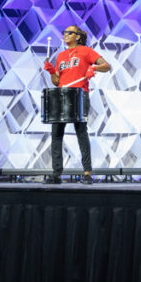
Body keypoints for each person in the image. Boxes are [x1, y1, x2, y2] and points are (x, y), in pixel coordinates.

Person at [43, 26, 110, 184]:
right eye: (64, 32)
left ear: (78, 36)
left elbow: (106, 66)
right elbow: (57, 81)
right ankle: (56, 174)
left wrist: (93, 68)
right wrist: (52, 72)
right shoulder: (61, 55)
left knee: (81, 132)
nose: (65, 35)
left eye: (69, 33)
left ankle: (87, 173)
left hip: (79, 94)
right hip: (61, 94)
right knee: (56, 134)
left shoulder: (86, 51)